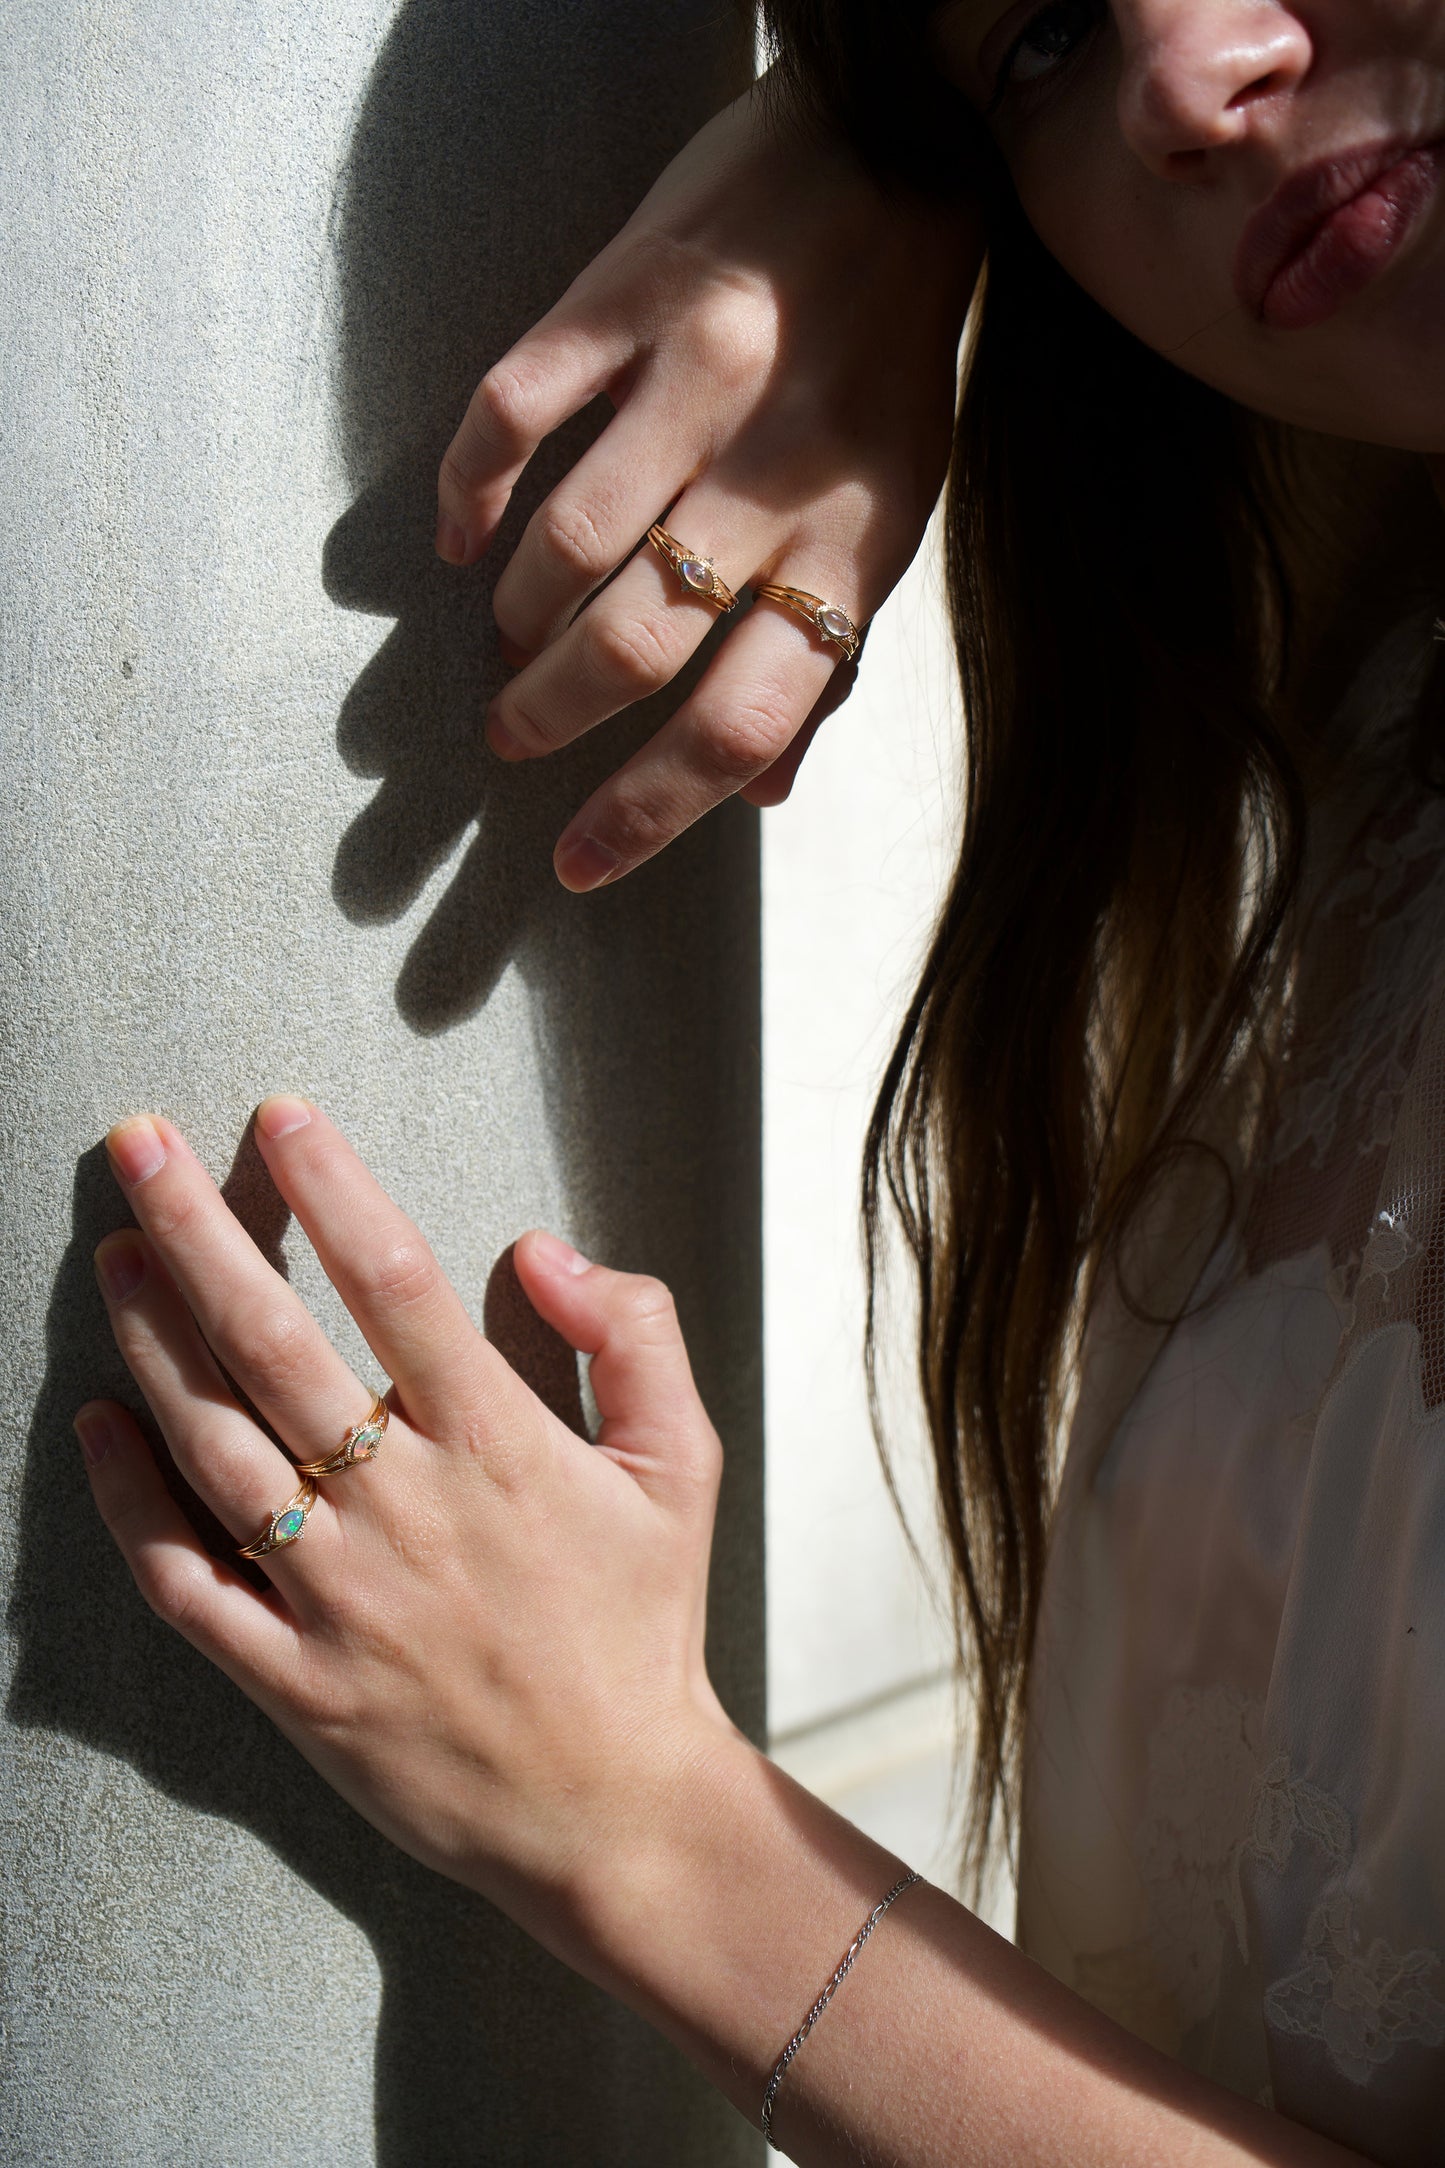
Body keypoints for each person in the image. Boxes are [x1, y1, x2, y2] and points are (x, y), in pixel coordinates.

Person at [72, 3, 1445, 2160]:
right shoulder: (1378, 663)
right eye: (1048, 49)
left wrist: (656, 1831)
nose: (1184, 87)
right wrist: (882, 171)